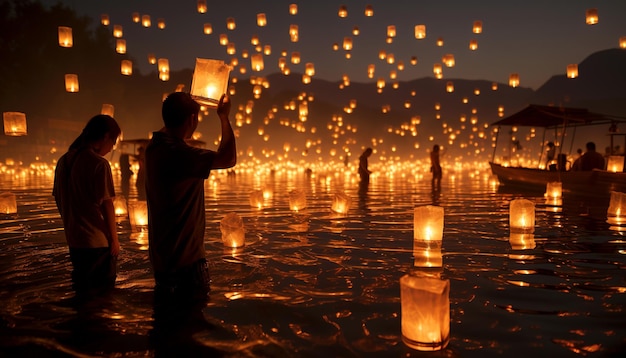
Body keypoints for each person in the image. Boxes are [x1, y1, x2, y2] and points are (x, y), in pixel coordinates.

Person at [145, 92, 236, 299]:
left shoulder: (153, 148)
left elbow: (171, 120)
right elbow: (228, 158)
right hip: (186, 263)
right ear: (192, 119)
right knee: (191, 322)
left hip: (163, 260)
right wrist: (224, 117)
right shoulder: (180, 154)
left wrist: (183, 102)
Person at [52, 114, 121, 292]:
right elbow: (107, 205)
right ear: (106, 137)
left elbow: (59, 199)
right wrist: (114, 240)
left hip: (75, 242)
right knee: (103, 296)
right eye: (113, 142)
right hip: (97, 243)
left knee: (83, 294)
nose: (111, 147)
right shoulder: (99, 164)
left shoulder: (63, 162)